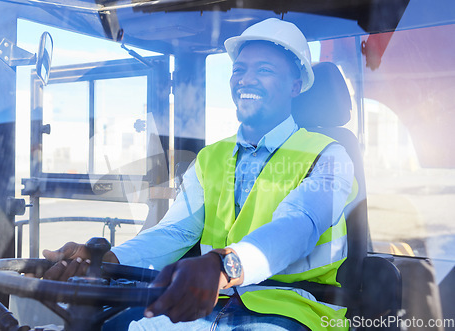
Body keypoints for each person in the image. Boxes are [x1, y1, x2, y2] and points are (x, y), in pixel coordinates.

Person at [43, 18, 354, 330]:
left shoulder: (328, 155)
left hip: (292, 309)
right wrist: (108, 261)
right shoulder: (210, 158)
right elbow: (175, 232)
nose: (246, 80)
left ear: (295, 86)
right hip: (206, 304)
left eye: (265, 70)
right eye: (239, 70)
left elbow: (299, 225)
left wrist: (223, 266)